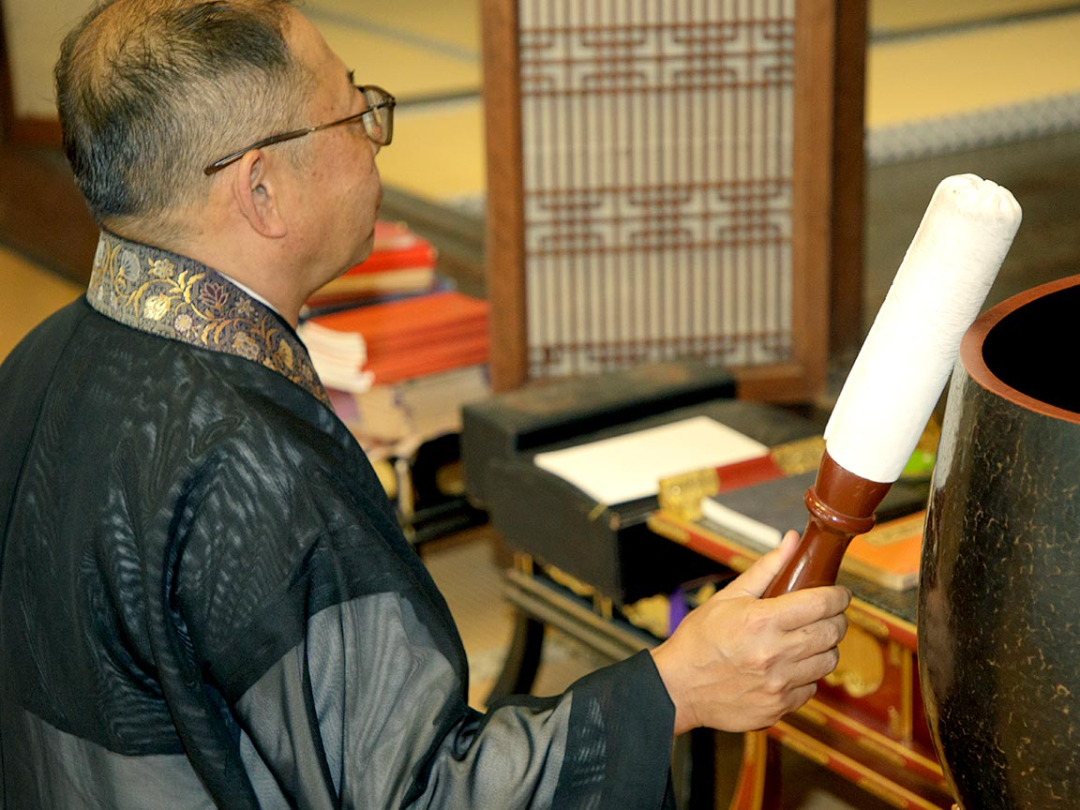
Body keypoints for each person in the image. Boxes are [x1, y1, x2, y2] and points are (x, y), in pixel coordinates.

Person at [0, 1, 851, 807]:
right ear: (260, 191)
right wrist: (675, 688)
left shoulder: (39, 359)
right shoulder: (253, 468)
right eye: (352, 115)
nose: (375, 140)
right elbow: (417, 794)